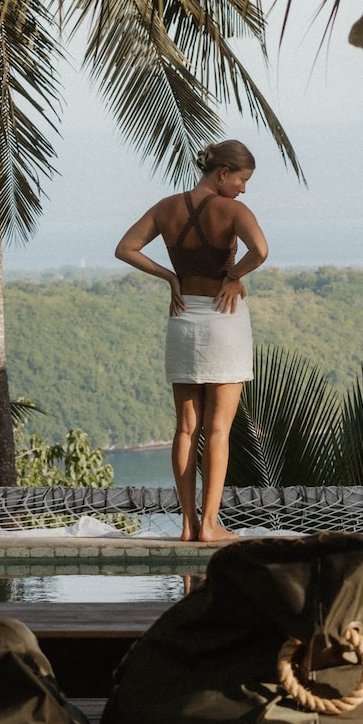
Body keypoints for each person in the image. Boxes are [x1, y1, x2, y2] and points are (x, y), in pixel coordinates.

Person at [115, 140, 268, 542]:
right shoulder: (233, 211)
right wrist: (234, 277)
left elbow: (125, 248)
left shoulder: (166, 207)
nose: (244, 189)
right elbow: (261, 251)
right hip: (224, 319)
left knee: (185, 429)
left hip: (182, 319)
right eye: (242, 180)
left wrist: (170, 277)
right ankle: (210, 525)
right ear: (222, 173)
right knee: (218, 429)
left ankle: (186, 525)